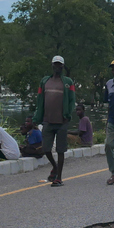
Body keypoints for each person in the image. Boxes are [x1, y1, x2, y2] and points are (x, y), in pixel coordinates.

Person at [34, 56, 76, 186]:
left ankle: (59, 177)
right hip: (47, 120)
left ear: (63, 67)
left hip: (62, 121)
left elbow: (72, 100)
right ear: (52, 66)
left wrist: (68, 115)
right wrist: (37, 117)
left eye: (60, 65)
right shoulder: (44, 81)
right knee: (46, 149)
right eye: (55, 65)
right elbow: (40, 100)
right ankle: (55, 166)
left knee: (60, 150)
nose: (58, 67)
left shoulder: (68, 82)